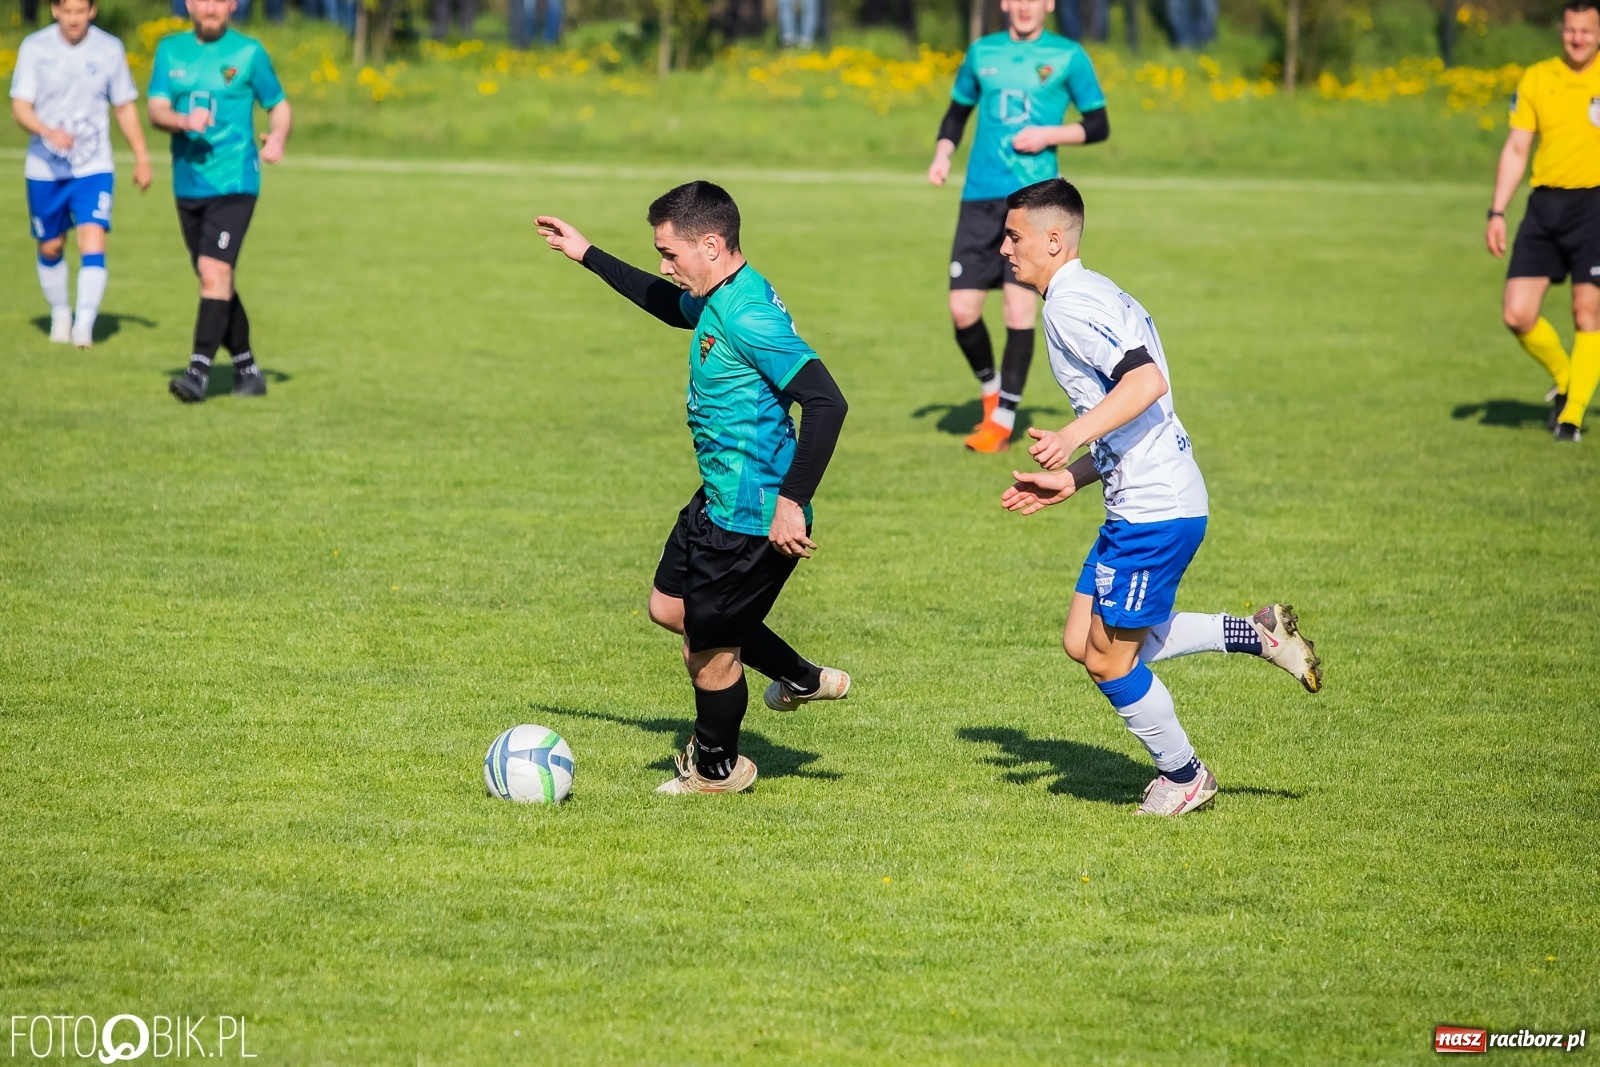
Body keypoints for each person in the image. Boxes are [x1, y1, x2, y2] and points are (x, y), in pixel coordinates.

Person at [997, 179, 1321, 816]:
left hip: (1156, 510)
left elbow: (1146, 382)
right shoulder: (1094, 291)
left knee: (1111, 663)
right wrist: (1076, 475)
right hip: (1141, 500)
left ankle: (1185, 776)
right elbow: (1134, 410)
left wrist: (1070, 436)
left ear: (1053, 240)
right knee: (1080, 641)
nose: (1004, 248)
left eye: (1015, 236)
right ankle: (1254, 634)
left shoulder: (1068, 304)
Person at [537, 182, 851, 795]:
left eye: (670, 253)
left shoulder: (748, 314)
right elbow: (664, 303)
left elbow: (826, 401)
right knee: (671, 610)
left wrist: (790, 504)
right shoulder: (716, 294)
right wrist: (588, 254)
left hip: (753, 515)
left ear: (711, 244)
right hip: (717, 496)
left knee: (707, 653)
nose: (664, 266)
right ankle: (801, 677)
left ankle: (717, 771)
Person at [928, 0, 1109, 454]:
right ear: (1005, 4)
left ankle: (1003, 419)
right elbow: (956, 112)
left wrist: (1049, 135)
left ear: (1048, 4)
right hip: (978, 198)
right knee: (962, 310)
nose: (1026, 6)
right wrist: (943, 153)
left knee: (1017, 311)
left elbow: (1099, 124)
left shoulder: (1068, 55)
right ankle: (991, 390)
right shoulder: (981, 52)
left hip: (1034, 201)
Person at [146, 0, 291, 403]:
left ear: (233, 4)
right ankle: (247, 370)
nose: (210, 7)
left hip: (235, 180)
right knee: (217, 279)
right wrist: (181, 121)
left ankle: (197, 373)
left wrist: (277, 136)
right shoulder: (170, 50)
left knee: (213, 271)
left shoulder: (248, 52)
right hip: (188, 184)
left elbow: (277, 104)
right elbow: (156, 107)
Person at [1487, 0, 1600, 442]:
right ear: (1560, 30)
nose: (1577, 39)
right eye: (1571, 30)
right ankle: (1567, 376)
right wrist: (1497, 210)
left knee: (1587, 312)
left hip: (1595, 206)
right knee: (1517, 312)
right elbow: (1517, 148)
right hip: (1545, 206)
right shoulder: (1537, 77)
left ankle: (1570, 417)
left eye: (1587, 31)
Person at [10, 0, 153, 348]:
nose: (74, 19)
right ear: (55, 11)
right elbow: (20, 107)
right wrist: (46, 131)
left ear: (93, 11)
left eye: (80, 11)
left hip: (93, 165)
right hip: (45, 168)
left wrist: (142, 157)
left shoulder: (109, 49)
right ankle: (61, 313)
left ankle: (83, 326)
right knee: (51, 244)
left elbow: (123, 106)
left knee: (93, 237)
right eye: (67, 11)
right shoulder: (35, 48)